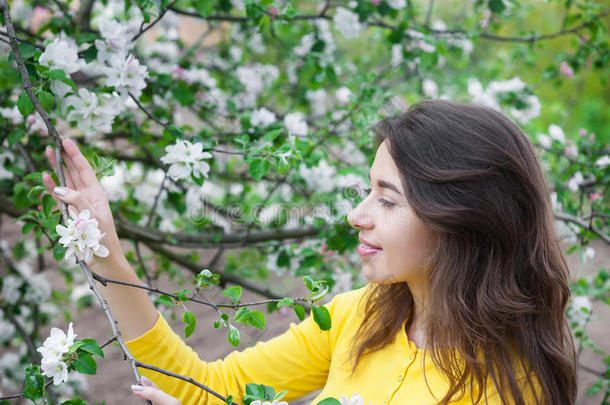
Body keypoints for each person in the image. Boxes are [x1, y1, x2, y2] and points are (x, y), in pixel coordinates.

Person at [42, 100, 577, 405]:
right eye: (368, 190)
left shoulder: (505, 387)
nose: (356, 215)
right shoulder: (359, 317)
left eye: (387, 200)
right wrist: (107, 252)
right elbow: (211, 389)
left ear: (461, 221)